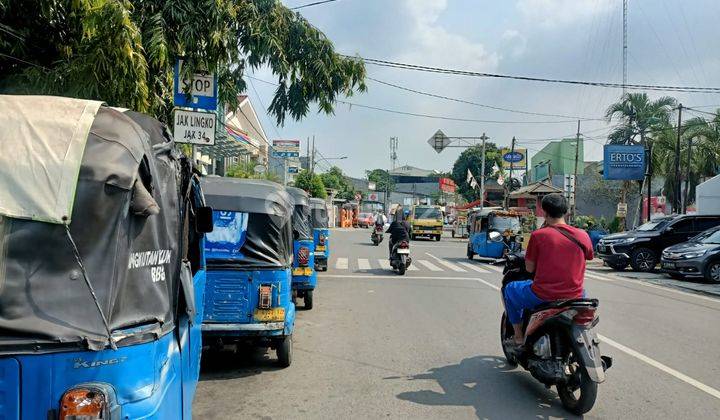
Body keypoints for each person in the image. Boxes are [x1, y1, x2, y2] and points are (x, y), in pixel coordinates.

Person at [503, 193, 594, 346]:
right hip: (576, 295)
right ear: (566, 211)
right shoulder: (582, 235)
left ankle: (518, 336)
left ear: (544, 212)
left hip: (543, 294)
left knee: (510, 289)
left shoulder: (539, 235)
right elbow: (589, 256)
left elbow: (530, 268)